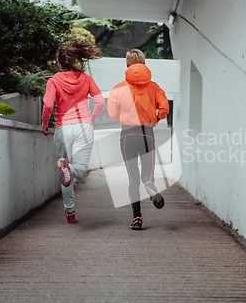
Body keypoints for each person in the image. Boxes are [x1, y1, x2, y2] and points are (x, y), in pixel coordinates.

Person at [42, 40, 105, 223]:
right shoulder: (86, 79)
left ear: (60, 61)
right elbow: (100, 102)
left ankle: (70, 213)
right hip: (83, 127)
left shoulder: (54, 81)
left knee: (65, 170)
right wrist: (90, 119)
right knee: (80, 170)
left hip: (63, 127)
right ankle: (70, 169)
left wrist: (45, 123)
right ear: (75, 59)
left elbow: (47, 104)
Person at [107, 49, 170, 230]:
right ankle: (149, 183)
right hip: (147, 133)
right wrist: (155, 118)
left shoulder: (119, 88)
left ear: (127, 64)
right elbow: (164, 108)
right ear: (144, 62)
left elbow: (112, 113)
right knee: (146, 173)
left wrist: (124, 114)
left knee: (132, 179)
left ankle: (137, 219)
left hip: (127, 134)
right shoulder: (154, 87)